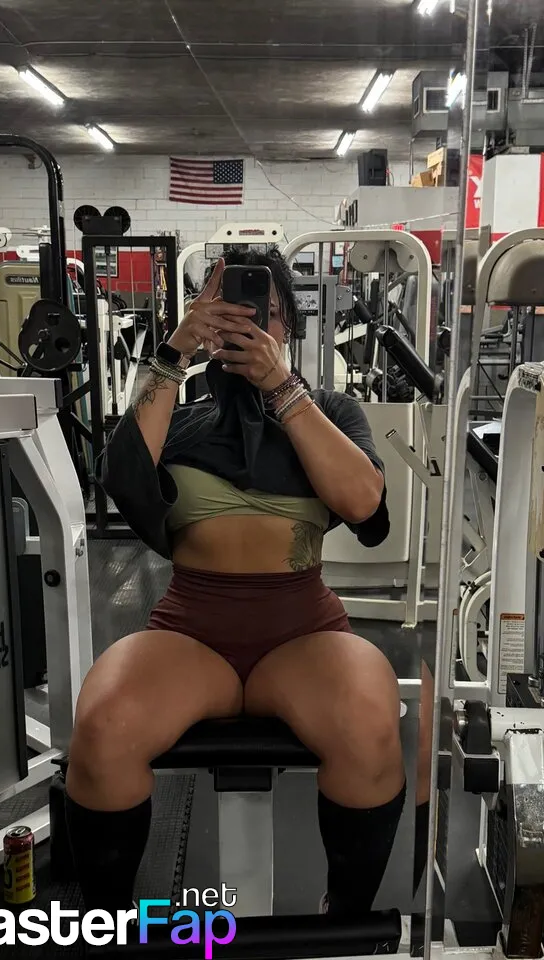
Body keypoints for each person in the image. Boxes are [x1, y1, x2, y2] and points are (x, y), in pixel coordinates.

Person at [65, 247, 409, 918]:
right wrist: (175, 350)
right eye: (232, 312)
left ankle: (343, 923)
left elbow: (365, 504)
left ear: (290, 328)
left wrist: (285, 391)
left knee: (370, 723)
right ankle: (107, 925)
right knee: (103, 727)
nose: (253, 325)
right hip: (191, 633)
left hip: (303, 632)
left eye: (269, 314)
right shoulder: (182, 414)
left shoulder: (331, 410)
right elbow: (123, 479)